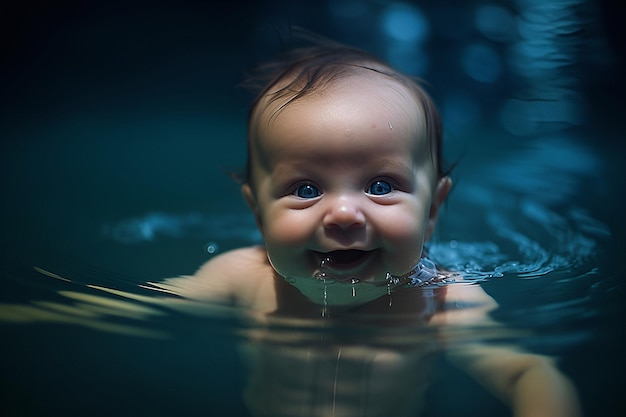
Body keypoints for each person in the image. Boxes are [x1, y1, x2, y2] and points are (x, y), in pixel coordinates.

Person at [147, 38, 582, 417]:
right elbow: (146, 306)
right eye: (305, 189)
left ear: (432, 211)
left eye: (381, 186)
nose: (343, 214)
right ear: (258, 213)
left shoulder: (443, 299)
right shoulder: (240, 277)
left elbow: (527, 372)